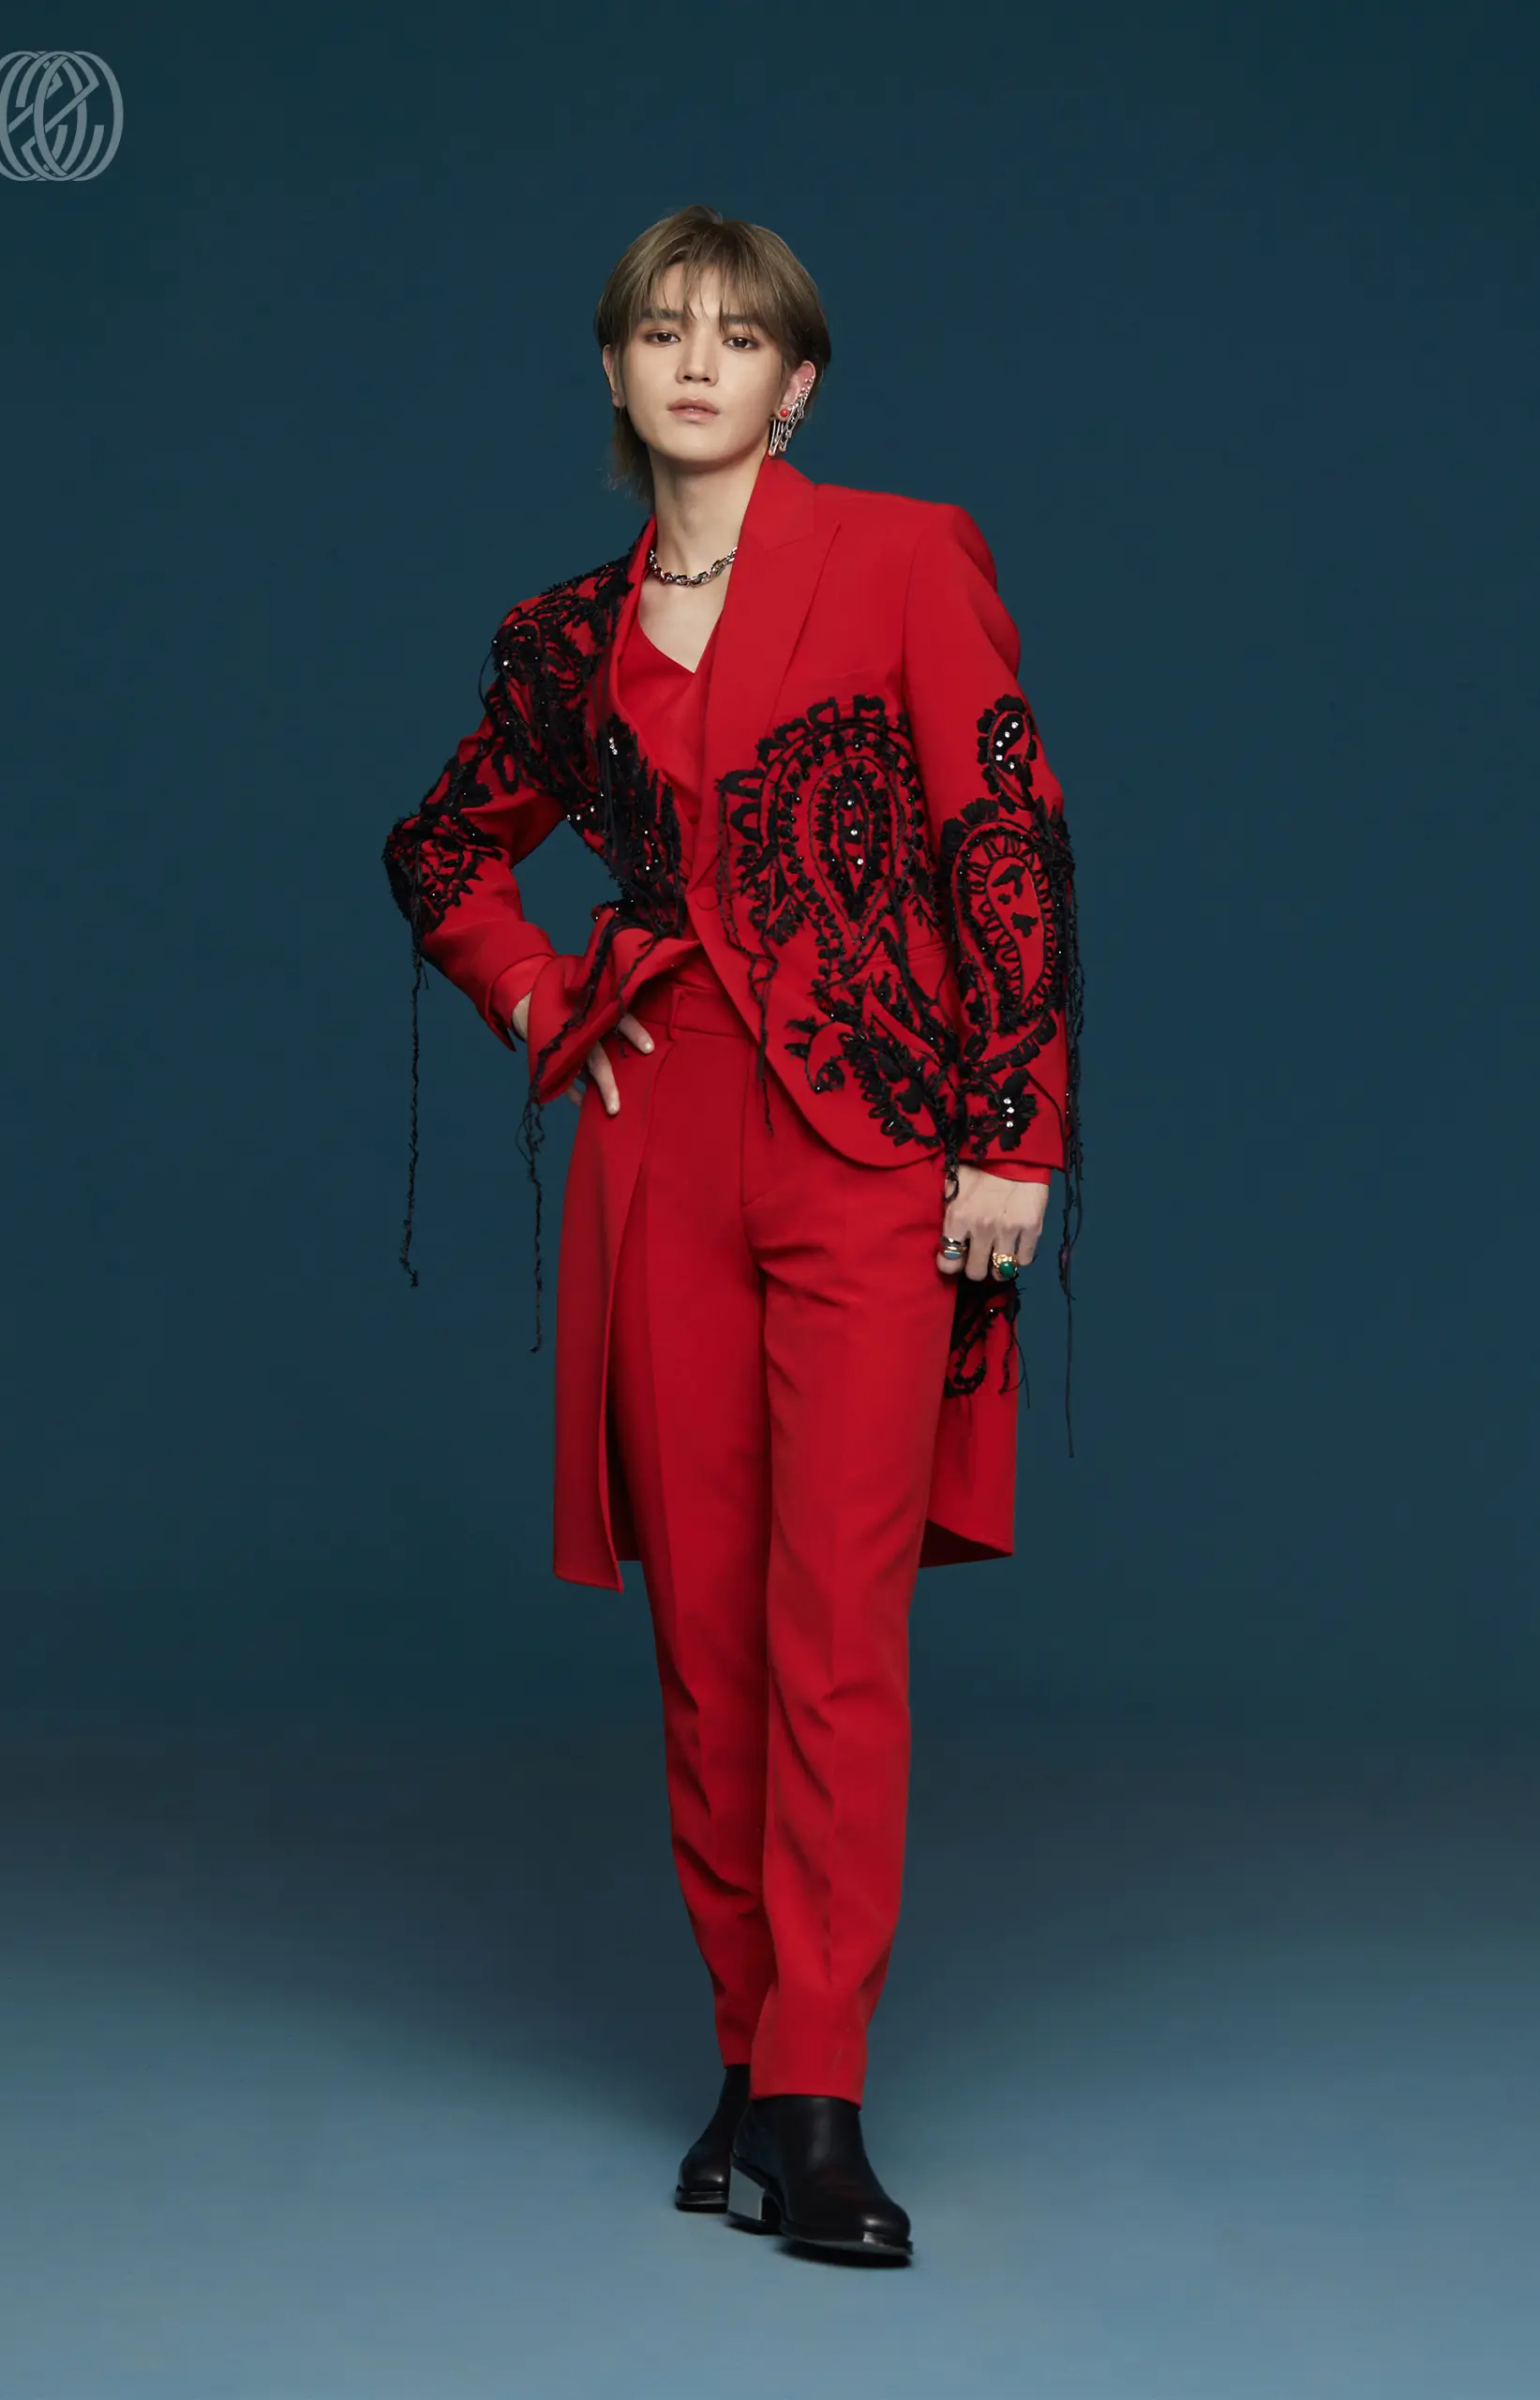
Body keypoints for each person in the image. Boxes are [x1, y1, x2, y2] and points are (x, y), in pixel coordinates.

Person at [381, 203, 1083, 2264]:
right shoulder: (560, 635)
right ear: (612, 372)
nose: (698, 359)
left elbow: (1004, 835)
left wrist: (1012, 1134)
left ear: (798, 384)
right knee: (704, 1641)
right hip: (660, 1140)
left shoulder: (902, 558)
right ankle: (746, 2060)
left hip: (871, 1143)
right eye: (661, 328)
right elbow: (439, 850)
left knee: (829, 1628)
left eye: (740, 333)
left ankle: (821, 2094)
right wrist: (543, 1000)